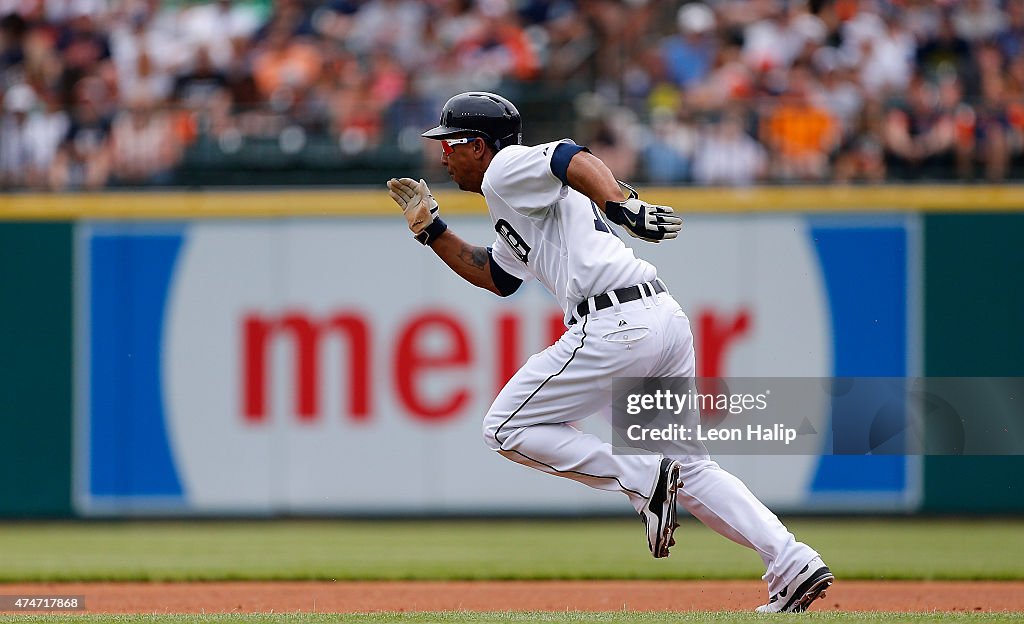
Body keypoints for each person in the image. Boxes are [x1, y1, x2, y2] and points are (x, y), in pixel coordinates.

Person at [386, 91, 833, 613]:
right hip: (660, 318)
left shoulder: (504, 168)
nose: (443, 154)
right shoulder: (514, 194)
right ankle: (790, 560)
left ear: (480, 145)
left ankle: (640, 477)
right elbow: (498, 276)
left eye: (452, 143)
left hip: (612, 324)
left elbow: (568, 156)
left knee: (504, 427)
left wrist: (622, 204)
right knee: (692, 469)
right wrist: (432, 230)